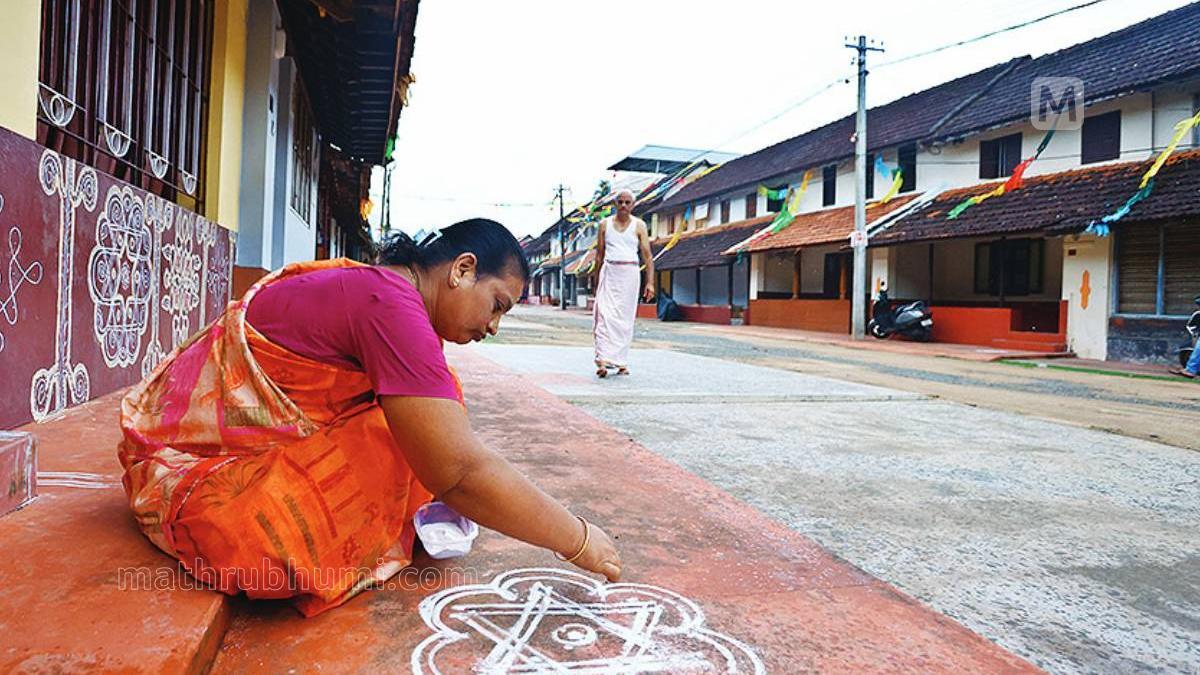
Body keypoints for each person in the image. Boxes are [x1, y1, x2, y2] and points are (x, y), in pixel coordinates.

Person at [118, 219, 621, 616]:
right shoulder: (390, 305)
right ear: (463, 270)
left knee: (434, 401)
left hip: (199, 453)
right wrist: (576, 539)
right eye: (497, 305)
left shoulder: (385, 292)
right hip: (193, 473)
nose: (493, 326)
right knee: (402, 440)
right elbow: (458, 473)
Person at [592, 189, 654, 378]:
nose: (623, 206)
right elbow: (599, 255)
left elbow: (647, 256)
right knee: (604, 315)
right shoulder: (604, 225)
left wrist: (650, 283)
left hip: (630, 274)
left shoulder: (639, 225)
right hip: (609, 272)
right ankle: (602, 360)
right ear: (615, 204)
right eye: (620, 202)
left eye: (627, 202)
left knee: (624, 320)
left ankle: (621, 362)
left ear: (633, 205)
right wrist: (596, 280)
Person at [1171, 294, 1200, 379]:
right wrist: (1195, 333)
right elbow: (1191, 326)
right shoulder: (1197, 314)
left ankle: (1190, 370)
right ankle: (1191, 370)